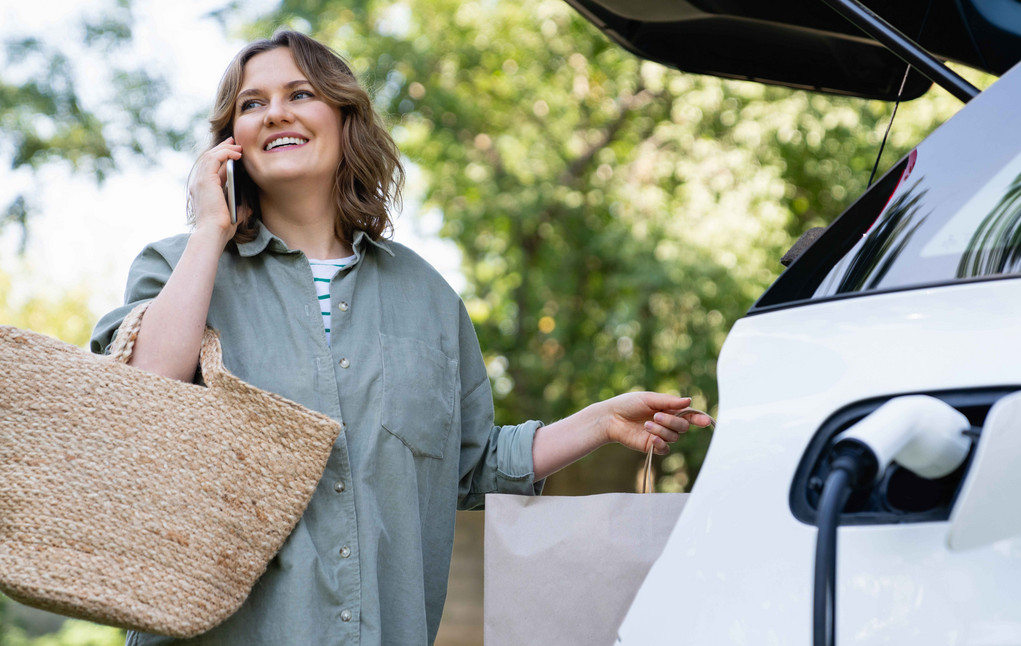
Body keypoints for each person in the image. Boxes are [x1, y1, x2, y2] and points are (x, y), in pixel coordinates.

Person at [91, 29, 712, 646]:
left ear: (344, 118)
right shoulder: (178, 268)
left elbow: (470, 467)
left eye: (299, 93)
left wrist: (598, 422)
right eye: (252, 103)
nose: (274, 111)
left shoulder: (429, 297)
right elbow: (140, 400)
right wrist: (209, 230)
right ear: (231, 142)